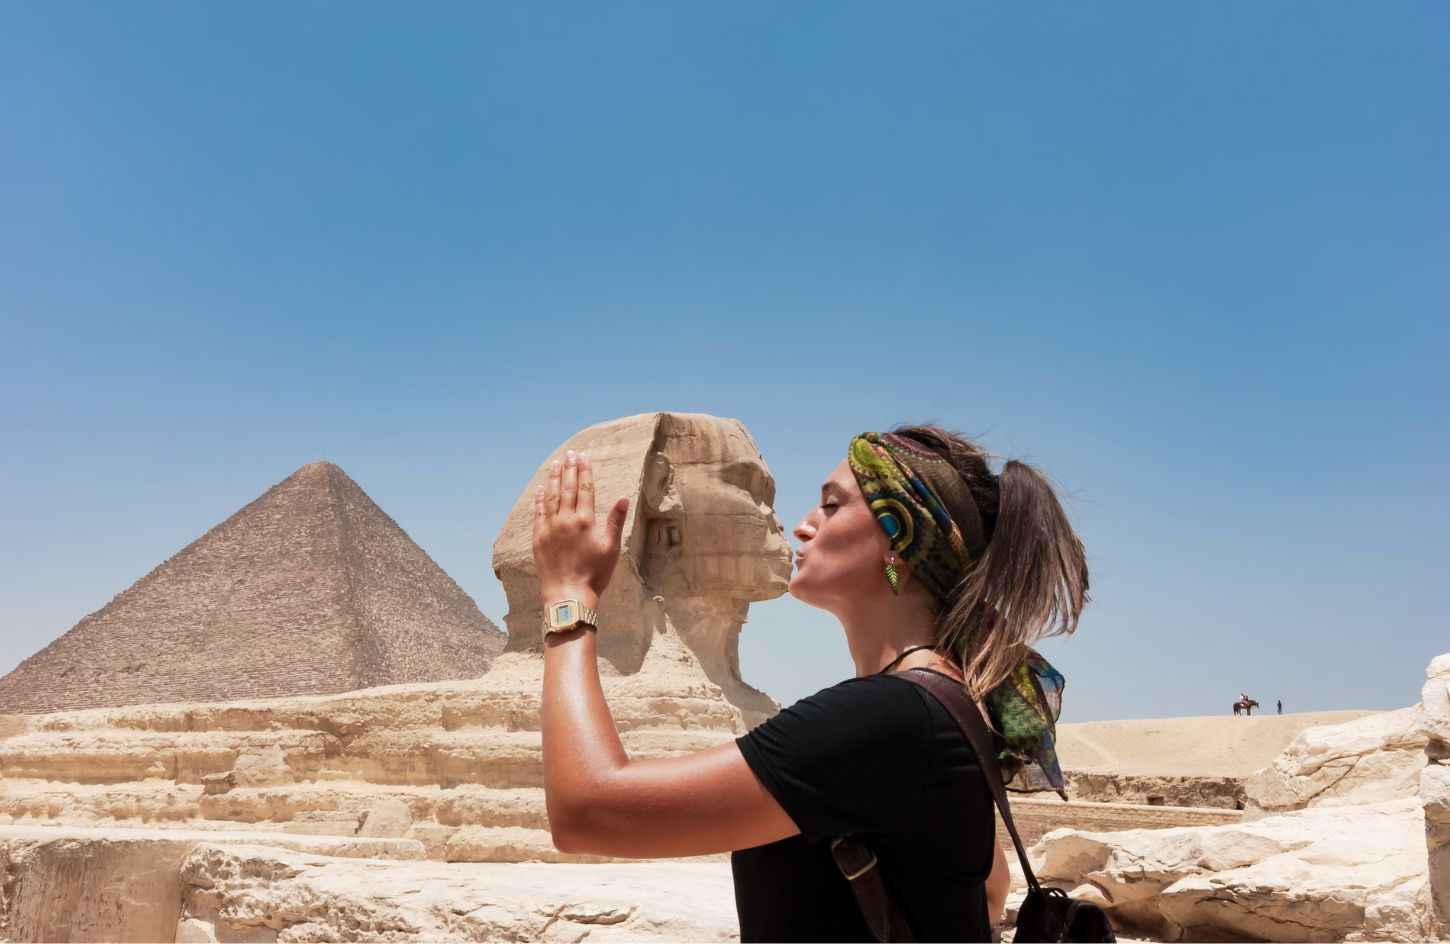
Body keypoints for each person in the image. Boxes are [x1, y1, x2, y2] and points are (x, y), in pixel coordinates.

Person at [531, 424, 1089, 942]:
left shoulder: (884, 718)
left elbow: (587, 811)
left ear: (900, 537)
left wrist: (569, 597)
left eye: (831, 505)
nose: (802, 524)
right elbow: (987, 892)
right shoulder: (947, 704)